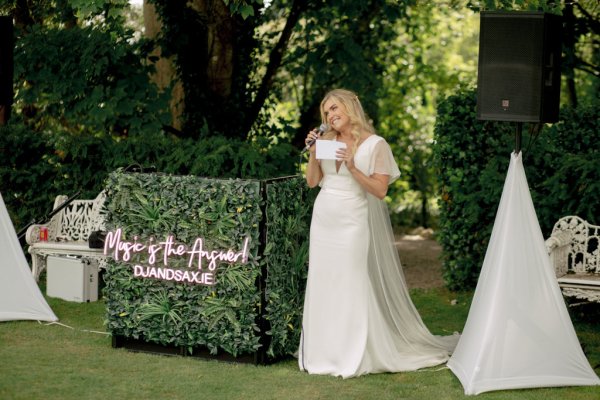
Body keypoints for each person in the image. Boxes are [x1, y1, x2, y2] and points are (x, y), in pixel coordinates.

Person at [298, 88, 458, 378]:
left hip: (351, 221)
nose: (331, 115)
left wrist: (352, 166)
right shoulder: (325, 142)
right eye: (326, 112)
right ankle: (325, 352)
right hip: (324, 219)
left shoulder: (375, 144)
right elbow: (312, 182)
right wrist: (312, 153)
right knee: (324, 281)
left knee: (350, 280)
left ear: (350, 108)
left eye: (335, 109)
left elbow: (380, 190)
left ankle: (354, 351)